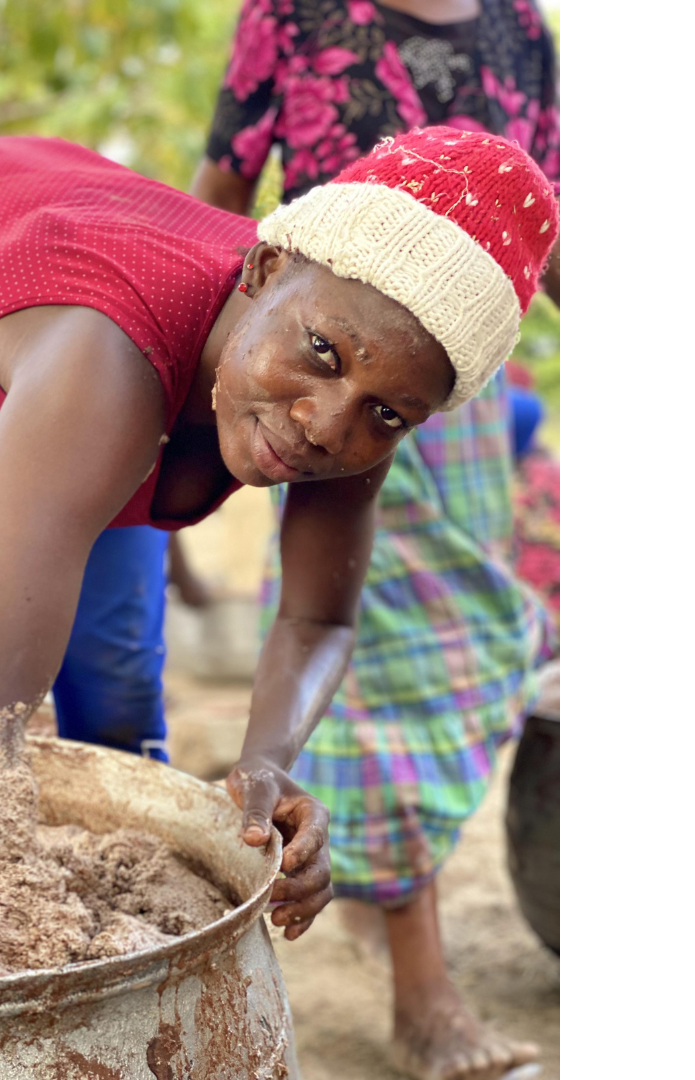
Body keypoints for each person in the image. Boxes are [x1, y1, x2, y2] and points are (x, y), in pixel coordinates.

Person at [0, 128, 557, 984]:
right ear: (265, 268)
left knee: (117, 703)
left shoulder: (356, 390)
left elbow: (318, 615)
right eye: (320, 355)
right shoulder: (106, 368)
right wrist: (0, 924)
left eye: (389, 415)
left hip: (82, 375)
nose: (326, 426)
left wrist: (266, 766)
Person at [191, 3, 558, 1079]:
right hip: (314, 370)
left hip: (450, 408)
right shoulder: (296, 13)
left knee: (471, 655)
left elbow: (542, 225)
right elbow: (218, 195)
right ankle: (422, 990)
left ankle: (379, 894)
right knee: (374, 675)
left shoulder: (518, 28)